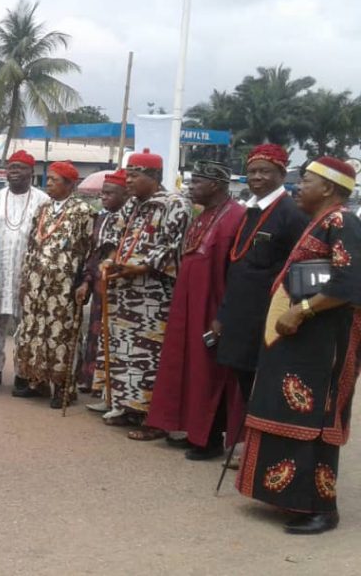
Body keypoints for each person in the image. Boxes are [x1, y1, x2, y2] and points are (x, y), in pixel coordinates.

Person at [236, 156, 361, 535]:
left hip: (324, 342)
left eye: (304, 179)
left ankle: (320, 508)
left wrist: (301, 310)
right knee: (287, 413)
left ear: (328, 187)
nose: (297, 186)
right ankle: (288, 496)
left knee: (316, 420)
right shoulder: (318, 223)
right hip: (301, 339)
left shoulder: (342, 221)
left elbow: (349, 282)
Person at [143, 161, 246, 458]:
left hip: (213, 306)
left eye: (196, 182)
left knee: (210, 373)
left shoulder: (236, 217)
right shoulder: (203, 215)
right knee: (186, 368)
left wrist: (224, 315)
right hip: (188, 304)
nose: (190, 188)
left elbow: (236, 271)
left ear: (215, 185)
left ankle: (209, 438)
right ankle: (190, 428)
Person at [99, 149, 192, 436]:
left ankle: (154, 419)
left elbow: (170, 247)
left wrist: (133, 268)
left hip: (153, 293)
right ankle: (129, 408)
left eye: (134, 175)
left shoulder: (175, 205)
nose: (127, 181)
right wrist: (111, 260)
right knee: (124, 351)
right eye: (127, 174)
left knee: (149, 354)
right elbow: (115, 236)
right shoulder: (131, 205)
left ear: (153, 177)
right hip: (123, 289)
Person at [214, 145, 309, 407]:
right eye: (252, 171)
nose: (256, 177)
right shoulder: (250, 211)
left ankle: (261, 445)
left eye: (264, 171)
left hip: (267, 317)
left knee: (263, 388)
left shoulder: (292, 214)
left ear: (281, 173)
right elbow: (239, 266)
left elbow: (298, 269)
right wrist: (223, 315)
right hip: (240, 315)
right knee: (244, 382)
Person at [13, 161, 96, 407]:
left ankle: (64, 388)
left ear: (70, 184)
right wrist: (25, 281)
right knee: (34, 332)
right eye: (47, 179)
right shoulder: (43, 208)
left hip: (64, 287)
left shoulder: (84, 211)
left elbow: (91, 250)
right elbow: (31, 245)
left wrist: (86, 282)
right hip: (35, 284)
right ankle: (37, 382)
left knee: (61, 335)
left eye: (54, 179)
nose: (48, 183)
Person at [0, 150, 49, 391]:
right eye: (11, 168)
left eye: (20, 168)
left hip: (28, 274)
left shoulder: (43, 201)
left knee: (27, 326)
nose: (14, 172)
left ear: (32, 171)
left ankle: (24, 374)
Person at [79, 170, 128, 397]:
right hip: (99, 284)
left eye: (110, 193)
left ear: (125, 194)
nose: (104, 198)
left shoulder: (128, 220)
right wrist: (87, 281)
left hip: (119, 286)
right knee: (95, 333)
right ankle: (91, 381)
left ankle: (109, 387)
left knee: (112, 336)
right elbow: (93, 253)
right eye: (102, 194)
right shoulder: (101, 218)